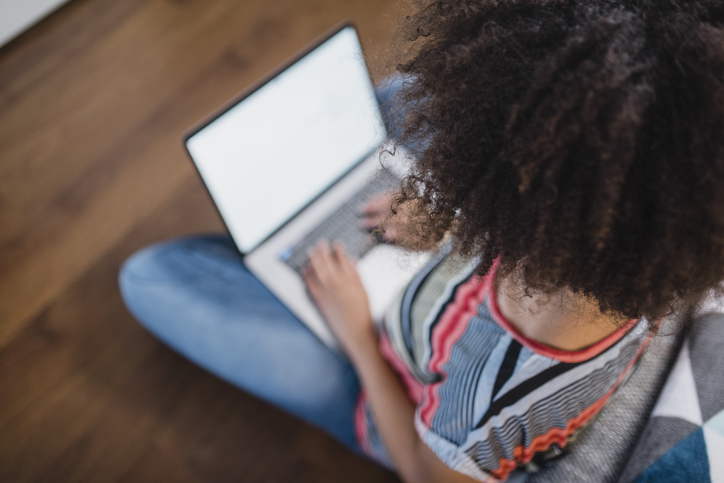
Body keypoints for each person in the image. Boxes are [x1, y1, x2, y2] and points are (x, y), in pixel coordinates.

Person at [119, 1, 724, 481]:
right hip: (443, 284)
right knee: (399, 96)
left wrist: (357, 333)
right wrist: (455, 220)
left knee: (151, 276)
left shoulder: (486, 400)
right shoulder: (641, 254)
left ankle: (284, 265)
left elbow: (420, 470)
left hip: (388, 374)